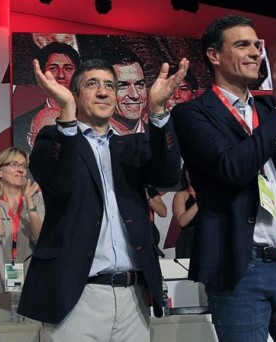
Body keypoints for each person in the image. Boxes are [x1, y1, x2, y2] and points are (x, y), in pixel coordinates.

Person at [171, 15, 276, 341]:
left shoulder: (269, 110)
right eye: (242, 44)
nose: (255, 52)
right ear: (214, 55)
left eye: (257, 45)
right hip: (241, 269)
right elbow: (234, 167)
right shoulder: (192, 113)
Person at [19, 55, 188, 340]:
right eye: (93, 84)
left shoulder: (132, 144)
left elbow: (168, 176)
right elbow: (59, 182)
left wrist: (158, 111)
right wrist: (67, 113)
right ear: (74, 94)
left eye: (111, 85)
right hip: (78, 294)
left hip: (134, 296)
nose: (103, 92)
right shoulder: (53, 137)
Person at [0, 147, 44, 323]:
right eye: (14, 164)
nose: (20, 169)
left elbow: (40, 240)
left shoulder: (37, 201)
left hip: (30, 293)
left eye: (24, 165)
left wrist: (30, 205)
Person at [14, 41, 81, 151]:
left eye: (68, 68)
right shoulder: (22, 123)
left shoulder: (92, 117)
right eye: (53, 68)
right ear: (41, 73)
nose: (61, 75)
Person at [102, 46, 148, 135]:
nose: (135, 95)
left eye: (140, 84)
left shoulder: (160, 135)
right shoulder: (89, 141)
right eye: (122, 86)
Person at [171, 165, 198, 259]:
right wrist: (200, 202)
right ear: (185, 174)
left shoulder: (210, 194)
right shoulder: (181, 195)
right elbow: (181, 221)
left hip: (208, 236)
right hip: (189, 239)